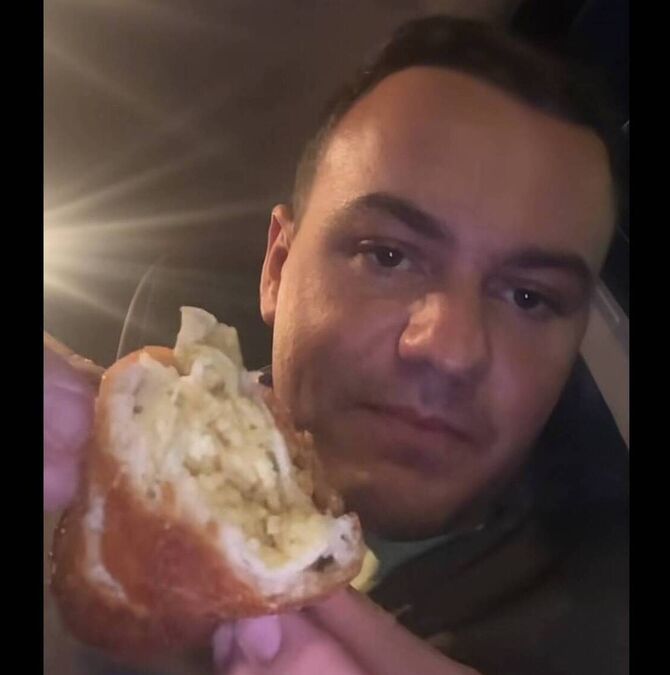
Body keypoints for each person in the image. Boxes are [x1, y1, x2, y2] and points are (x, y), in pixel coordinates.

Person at [45, 16, 628, 675]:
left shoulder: (602, 632)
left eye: (529, 297)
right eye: (388, 255)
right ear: (277, 267)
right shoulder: (79, 465)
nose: (451, 349)